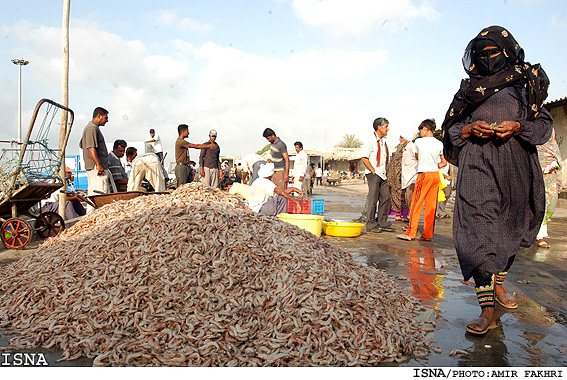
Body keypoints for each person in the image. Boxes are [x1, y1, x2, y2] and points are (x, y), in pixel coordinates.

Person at [442, 26, 553, 335]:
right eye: (482, 55)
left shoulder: (525, 86)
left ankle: (499, 284)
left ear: (507, 52)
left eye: (493, 53)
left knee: (512, 230)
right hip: (478, 168)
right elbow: (450, 129)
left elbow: (543, 125)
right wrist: (468, 130)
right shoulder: (469, 92)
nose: (488, 59)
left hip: (516, 169)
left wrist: (517, 126)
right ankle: (486, 308)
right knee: (476, 233)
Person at [397, 119, 447, 241]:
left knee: (416, 203)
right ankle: (428, 234)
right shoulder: (439, 144)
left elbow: (417, 157)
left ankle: (411, 232)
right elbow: (444, 162)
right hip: (435, 175)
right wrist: (435, 166)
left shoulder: (418, 142)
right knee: (431, 206)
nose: (420, 132)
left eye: (421, 129)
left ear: (425, 128)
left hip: (424, 174)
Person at [360, 117, 394, 233]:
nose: (387, 129)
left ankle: (382, 221)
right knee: (373, 199)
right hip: (373, 173)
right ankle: (370, 223)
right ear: (379, 127)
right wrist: (373, 170)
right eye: (386, 127)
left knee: (386, 197)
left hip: (382, 173)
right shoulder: (371, 140)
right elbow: (364, 158)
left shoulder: (384, 142)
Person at [535, 129, 562, 249]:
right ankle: (535, 236)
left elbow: (554, 149)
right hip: (532, 171)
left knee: (549, 203)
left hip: (549, 173)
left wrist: (554, 164)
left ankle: (539, 235)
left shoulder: (549, 132)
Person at [79, 107, 110, 211]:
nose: (107, 120)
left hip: (94, 167)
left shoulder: (91, 128)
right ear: (99, 116)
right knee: (100, 195)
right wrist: (98, 164)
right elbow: (90, 148)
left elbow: (82, 145)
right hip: (96, 168)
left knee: (93, 197)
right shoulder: (92, 128)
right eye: (105, 118)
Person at [387, 134, 410, 222]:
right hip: (394, 176)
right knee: (395, 195)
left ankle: (404, 214)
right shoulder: (400, 148)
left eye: (402, 137)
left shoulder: (410, 147)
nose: (400, 139)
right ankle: (397, 215)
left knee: (404, 195)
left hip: (404, 175)